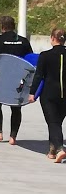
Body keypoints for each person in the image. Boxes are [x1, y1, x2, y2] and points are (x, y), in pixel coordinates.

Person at [0, 15, 34, 145]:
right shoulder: (23, 41)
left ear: (2, 26)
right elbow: (30, 59)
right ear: (13, 26)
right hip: (17, 77)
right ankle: (13, 137)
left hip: (1, 76)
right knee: (16, 107)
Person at [29, 28, 66, 163]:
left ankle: (60, 149)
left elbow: (38, 76)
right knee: (56, 122)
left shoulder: (45, 55)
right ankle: (52, 150)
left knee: (53, 122)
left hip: (49, 94)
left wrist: (32, 93)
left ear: (52, 38)